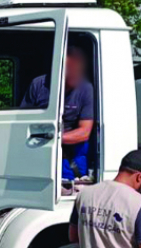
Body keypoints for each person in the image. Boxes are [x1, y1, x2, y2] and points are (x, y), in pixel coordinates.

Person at [20, 45, 95, 181]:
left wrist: (52, 137)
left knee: (73, 181)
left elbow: (84, 132)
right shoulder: (38, 84)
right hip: (38, 147)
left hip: (73, 152)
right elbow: (23, 120)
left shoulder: (85, 88)